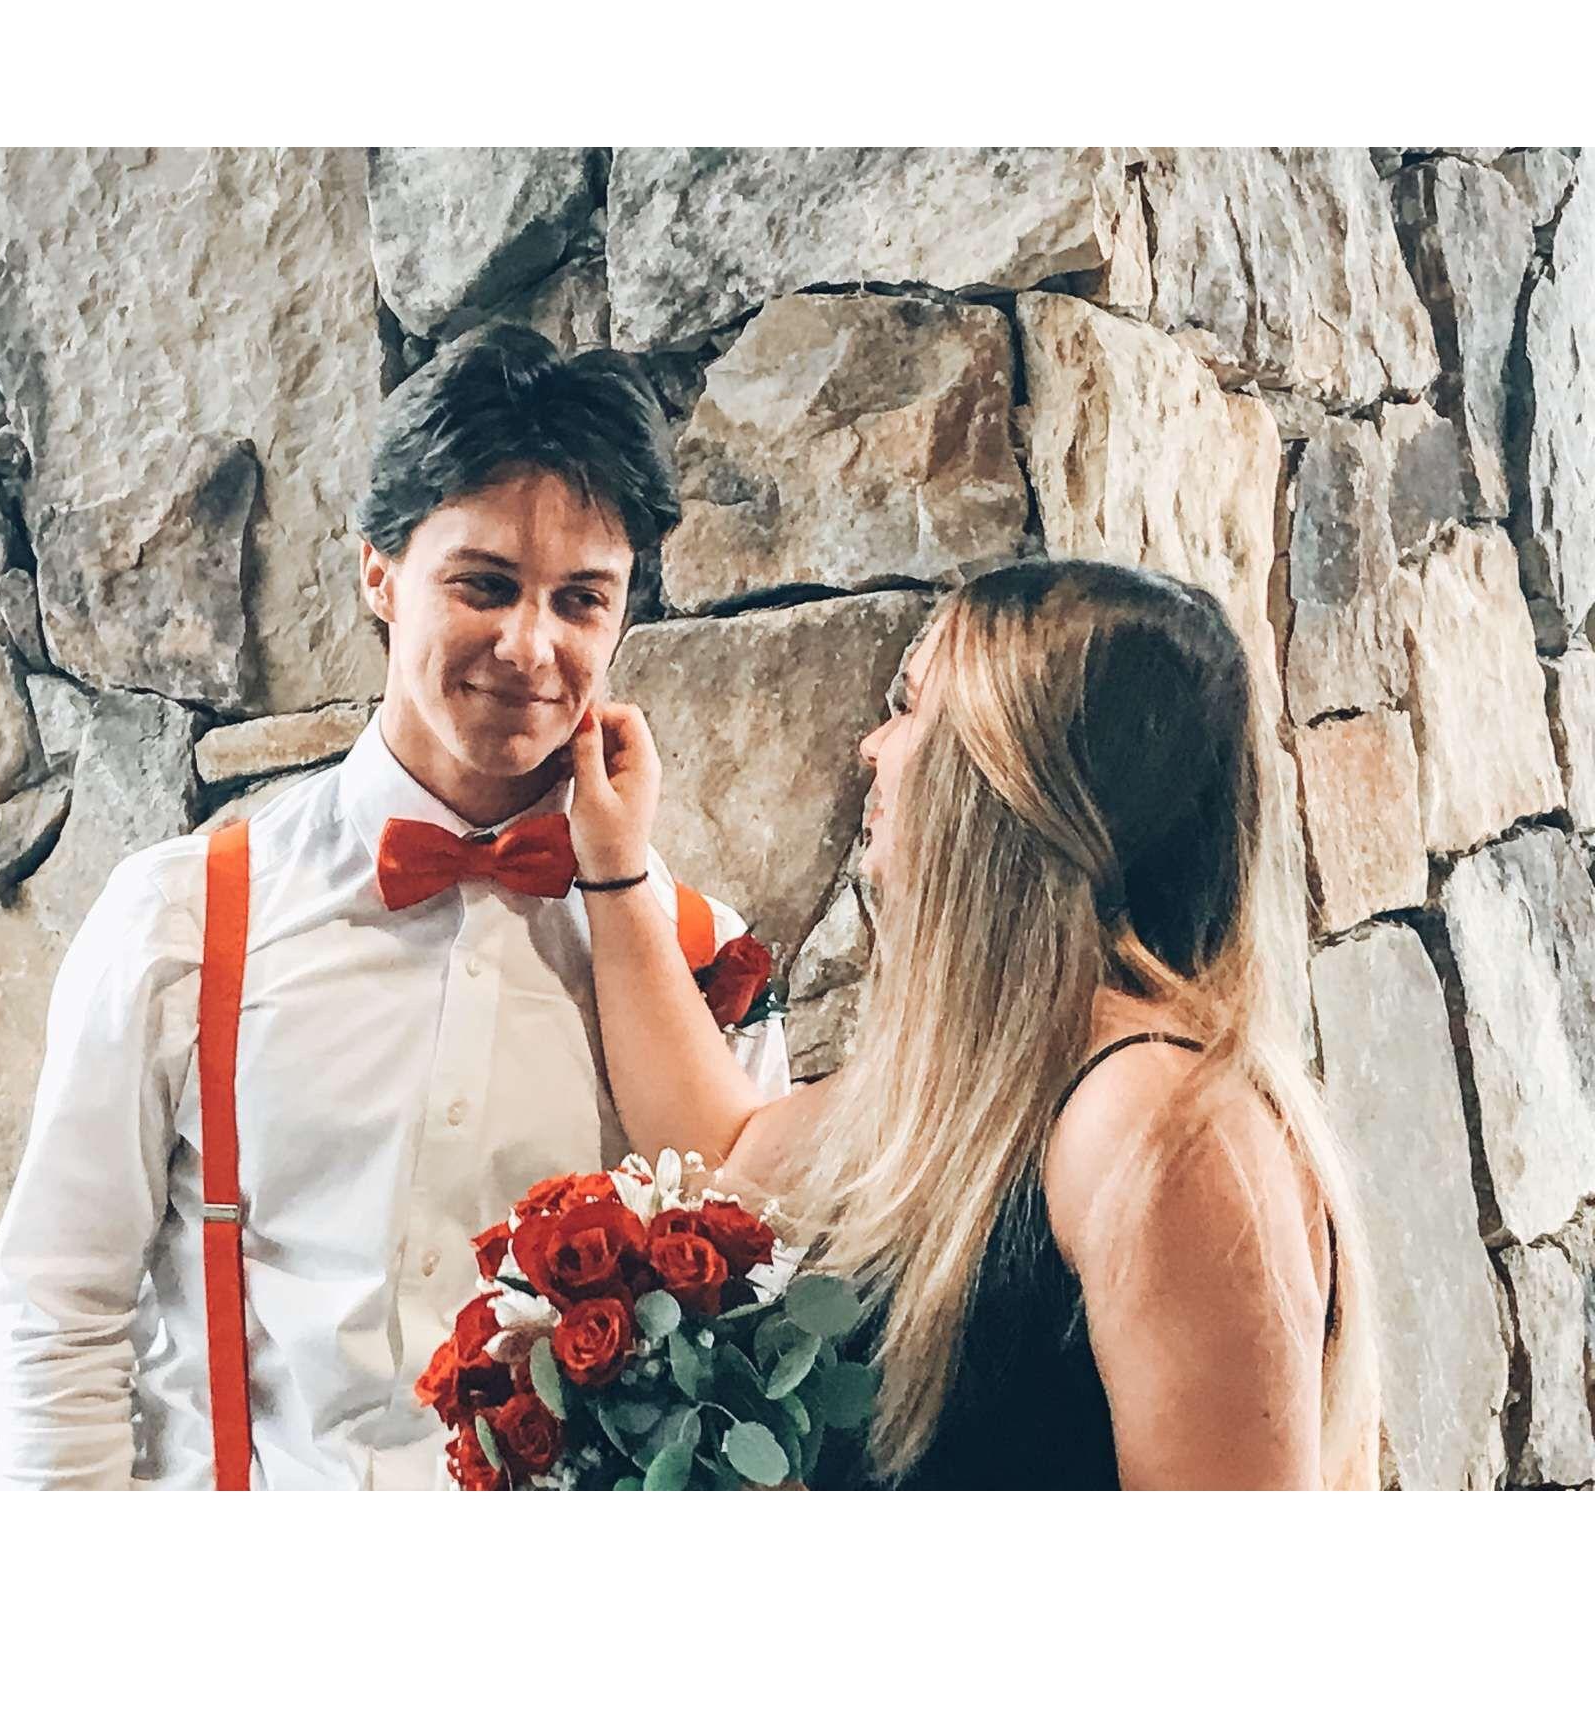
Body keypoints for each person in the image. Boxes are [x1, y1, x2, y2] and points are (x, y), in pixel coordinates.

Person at [0, 325, 789, 1490]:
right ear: (379, 572)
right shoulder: (177, 920)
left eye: (581, 599)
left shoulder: (705, 966)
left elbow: (749, 1341)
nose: (530, 645)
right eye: (484, 584)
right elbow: (56, 1317)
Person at [567, 557, 1380, 1490]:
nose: (873, 747)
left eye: (911, 707)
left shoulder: (1155, 1124)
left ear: (1014, 777)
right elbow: (725, 1150)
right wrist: (614, 865)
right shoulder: (1005, 1080)